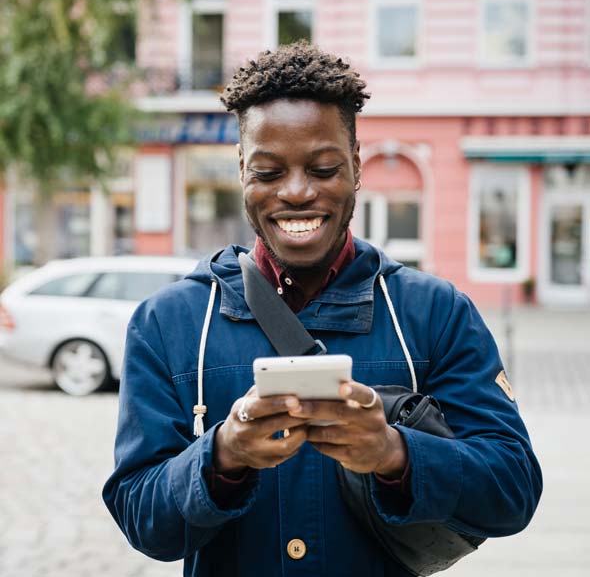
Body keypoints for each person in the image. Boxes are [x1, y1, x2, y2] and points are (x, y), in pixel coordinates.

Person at [103, 42, 542, 577]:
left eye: (324, 167)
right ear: (242, 169)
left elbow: (513, 489)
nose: (296, 192)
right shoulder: (165, 324)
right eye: (268, 172)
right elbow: (139, 516)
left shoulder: (436, 313)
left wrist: (395, 454)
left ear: (356, 166)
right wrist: (222, 456)